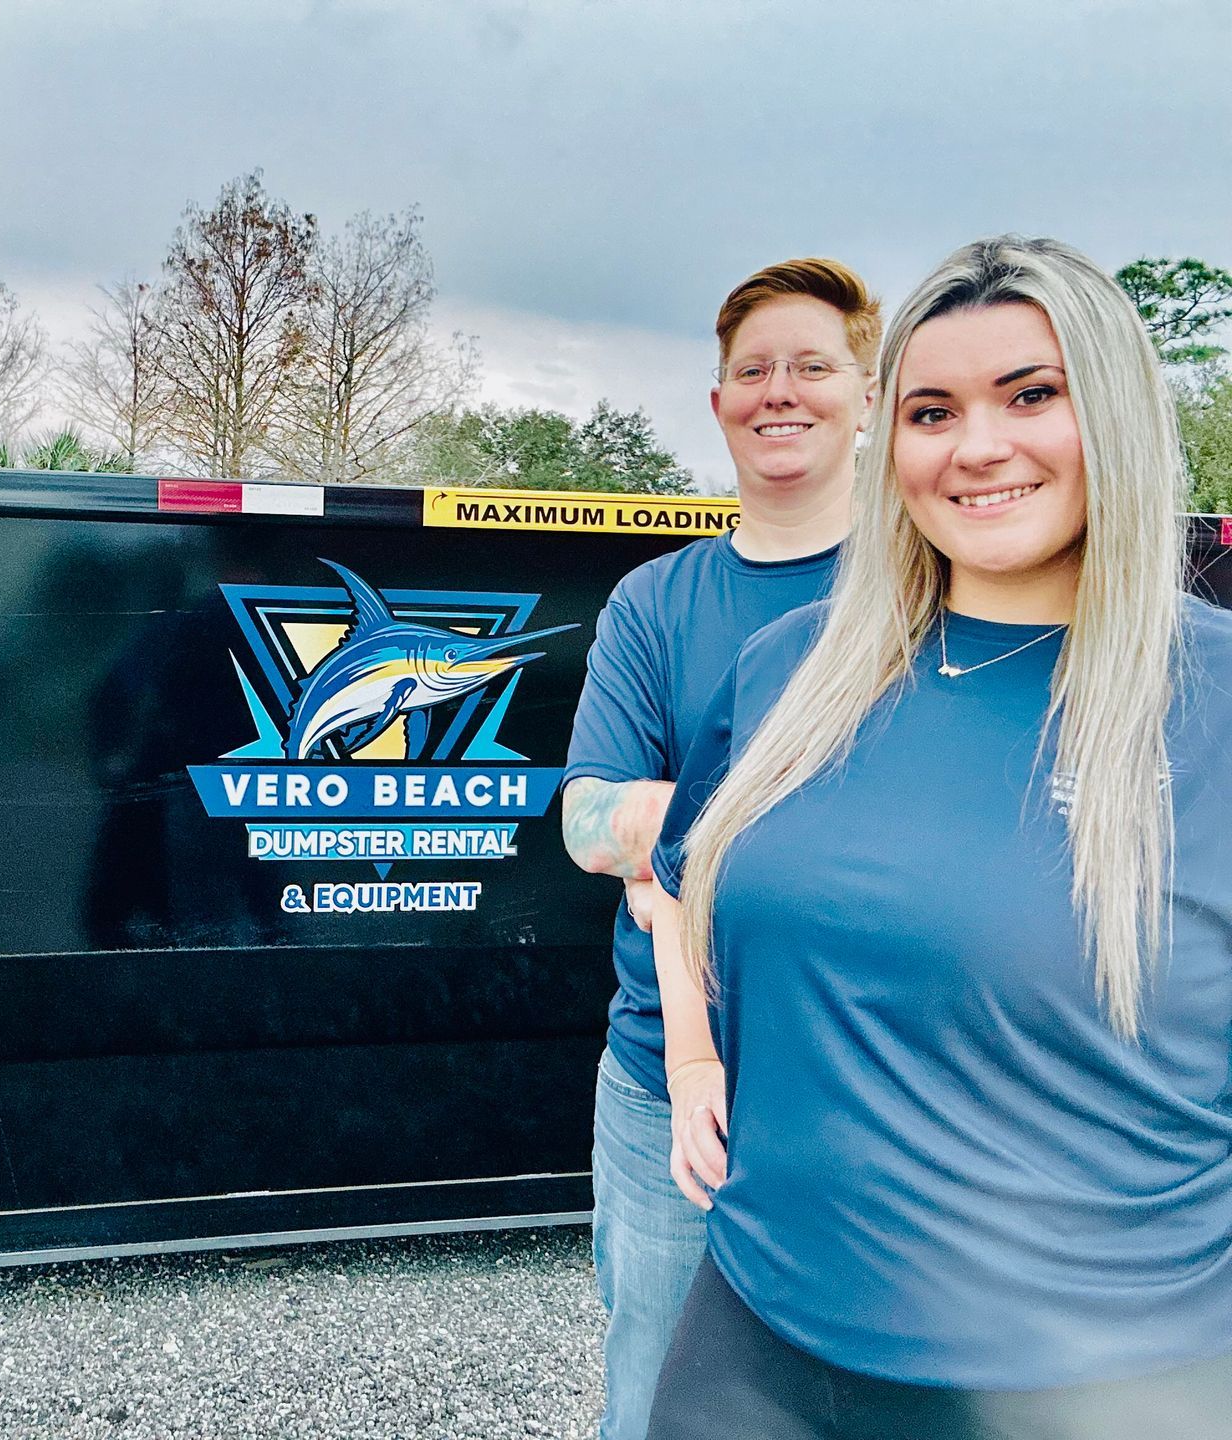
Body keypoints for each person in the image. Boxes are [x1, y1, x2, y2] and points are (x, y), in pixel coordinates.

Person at [646, 235, 1232, 1439]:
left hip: (1097, 1384)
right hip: (754, 1344)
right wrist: (697, 1062)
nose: (977, 446)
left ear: (1113, 412)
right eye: (930, 409)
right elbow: (680, 889)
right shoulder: (788, 673)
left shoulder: (1211, 701)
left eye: (1031, 395)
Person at [560, 258, 880, 1440]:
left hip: (878, 1079)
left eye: (811, 365)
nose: (778, 392)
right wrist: (735, 821)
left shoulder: (933, 592)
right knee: (659, 1398)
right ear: (719, 401)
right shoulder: (653, 604)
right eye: (752, 370)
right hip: (662, 1087)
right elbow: (586, 819)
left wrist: (684, 837)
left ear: (868, 392)